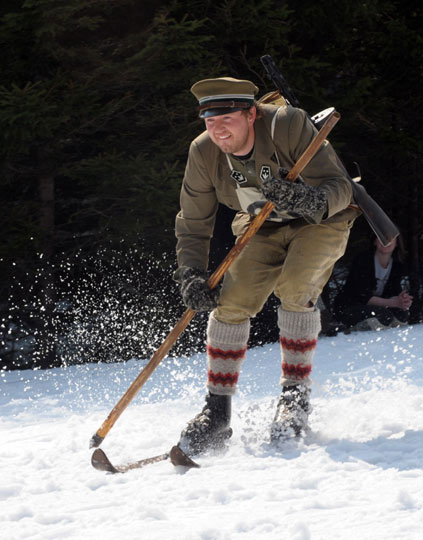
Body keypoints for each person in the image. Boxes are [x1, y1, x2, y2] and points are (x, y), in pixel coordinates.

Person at [174, 76, 359, 456]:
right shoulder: (204, 152)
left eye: (227, 117)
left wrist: (307, 198)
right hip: (259, 226)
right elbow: (193, 222)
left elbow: (340, 187)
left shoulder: (287, 125)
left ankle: (294, 398)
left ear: (251, 114)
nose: (218, 128)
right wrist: (192, 273)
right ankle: (216, 412)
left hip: (319, 222)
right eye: (209, 119)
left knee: (295, 288)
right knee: (231, 301)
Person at [333, 235, 413, 331]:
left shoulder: (397, 265)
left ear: (397, 243)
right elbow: (363, 296)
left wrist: (403, 300)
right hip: (350, 307)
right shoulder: (363, 260)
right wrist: (393, 302)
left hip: (377, 307)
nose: (386, 241)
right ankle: (351, 329)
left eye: (391, 238)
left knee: (402, 314)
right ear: (375, 241)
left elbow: (392, 292)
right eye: (381, 236)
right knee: (384, 315)